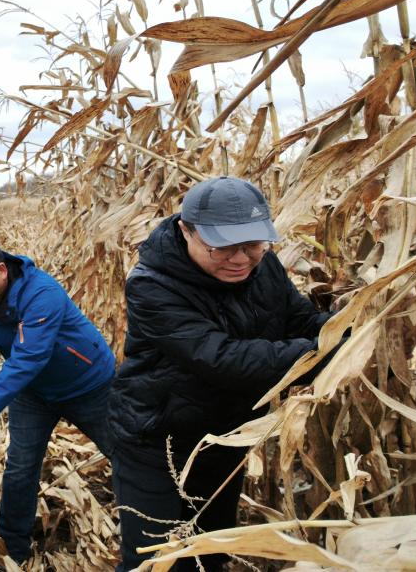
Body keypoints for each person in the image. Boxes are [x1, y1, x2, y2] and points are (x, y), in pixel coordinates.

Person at [109, 176, 331, 571]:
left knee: (211, 551)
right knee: (158, 560)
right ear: (186, 231)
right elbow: (223, 360)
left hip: (224, 439)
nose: (241, 259)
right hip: (156, 442)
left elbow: (300, 322)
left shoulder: (265, 268)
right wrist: (323, 349)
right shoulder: (152, 286)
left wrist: (352, 325)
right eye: (223, 247)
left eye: (253, 245)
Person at [0, 236, 117, 564]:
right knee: (20, 467)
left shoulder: (41, 293)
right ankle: (12, 550)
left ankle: (143, 535)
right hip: (33, 393)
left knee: (125, 456)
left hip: (89, 385)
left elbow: (27, 360)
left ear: (2, 271)